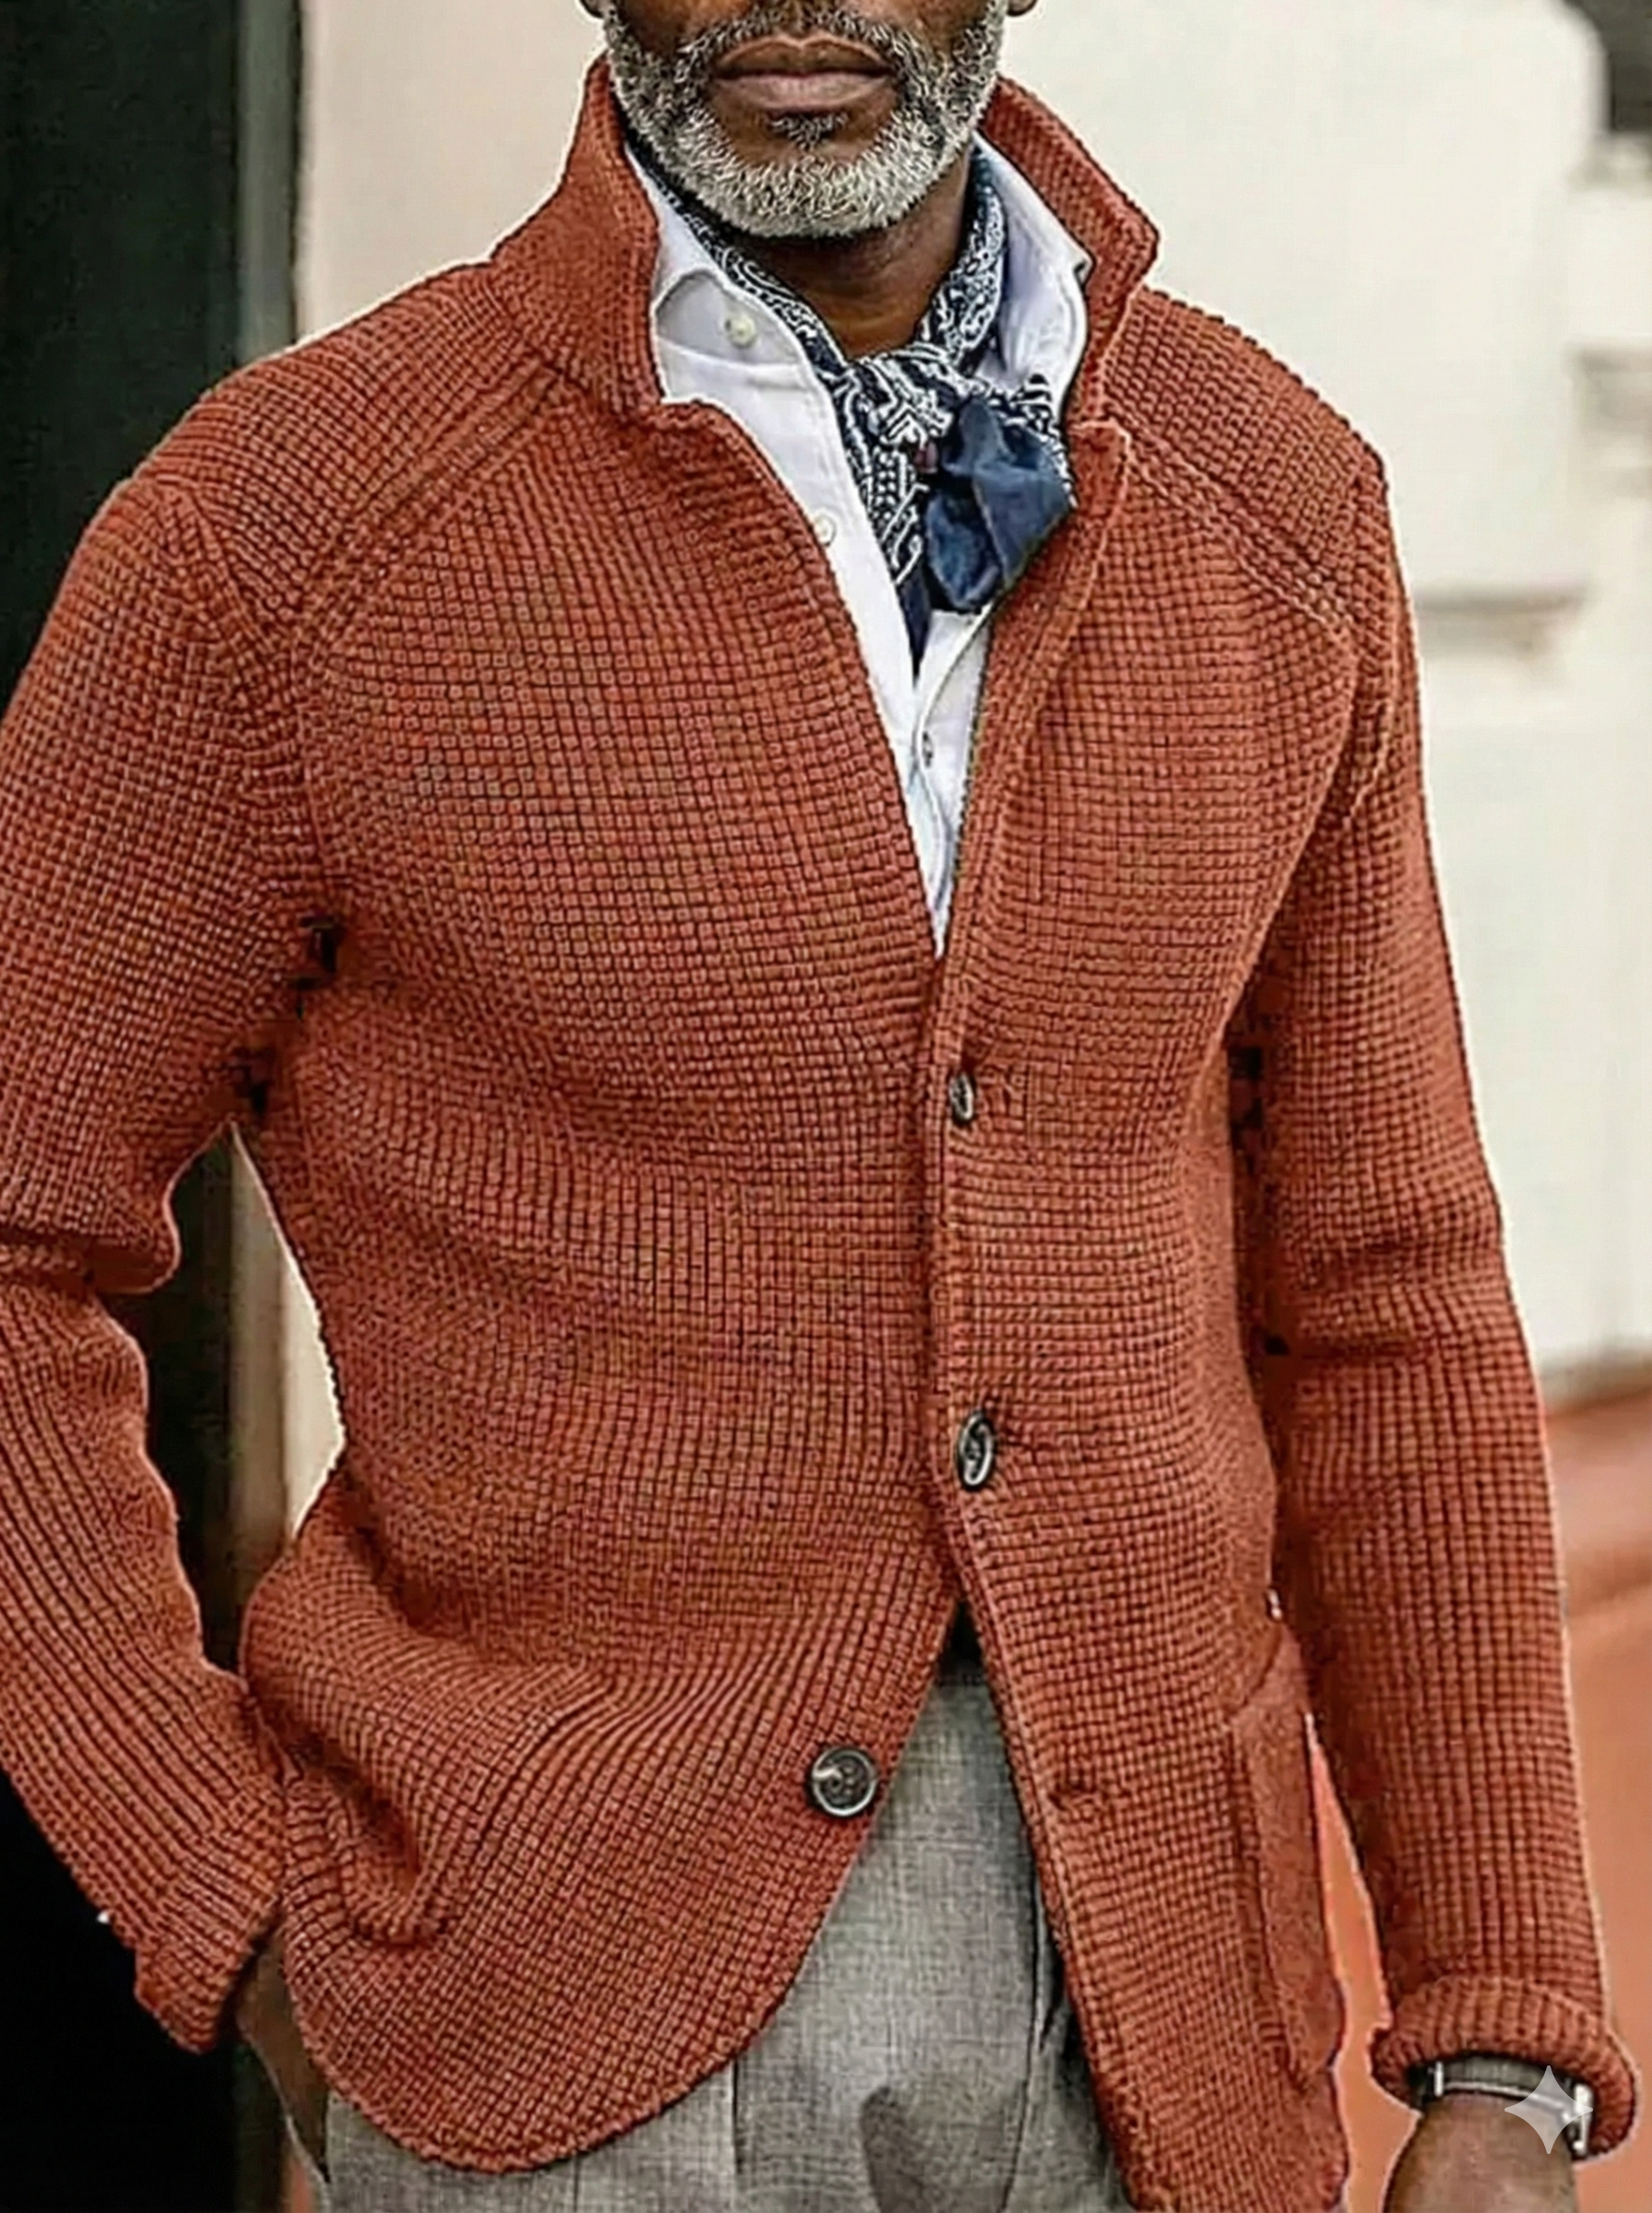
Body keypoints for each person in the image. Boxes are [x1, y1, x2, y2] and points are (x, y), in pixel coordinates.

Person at [0, 3, 1637, 2208]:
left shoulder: (1268, 503)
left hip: (1163, 2009)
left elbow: (1382, 1288)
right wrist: (218, 1890)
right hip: (542, 2020)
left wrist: (1500, 2025)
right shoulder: (288, 531)